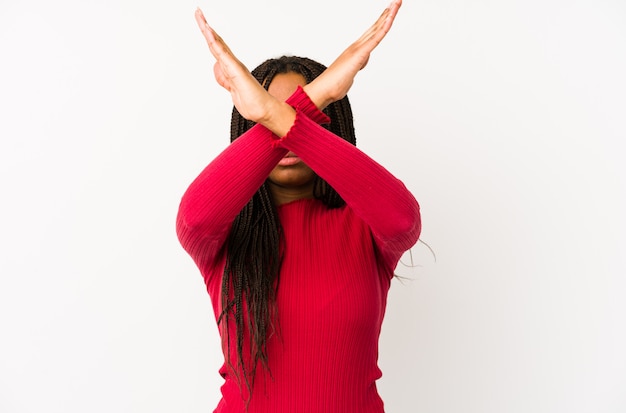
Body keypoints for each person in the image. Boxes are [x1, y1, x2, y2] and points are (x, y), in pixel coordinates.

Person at [176, 1, 420, 411]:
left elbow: (404, 220)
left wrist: (274, 115)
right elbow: (194, 218)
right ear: (245, 129)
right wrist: (317, 97)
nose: (282, 127)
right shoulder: (226, 234)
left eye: (308, 113)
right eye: (267, 115)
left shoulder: (365, 228)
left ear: (334, 126)